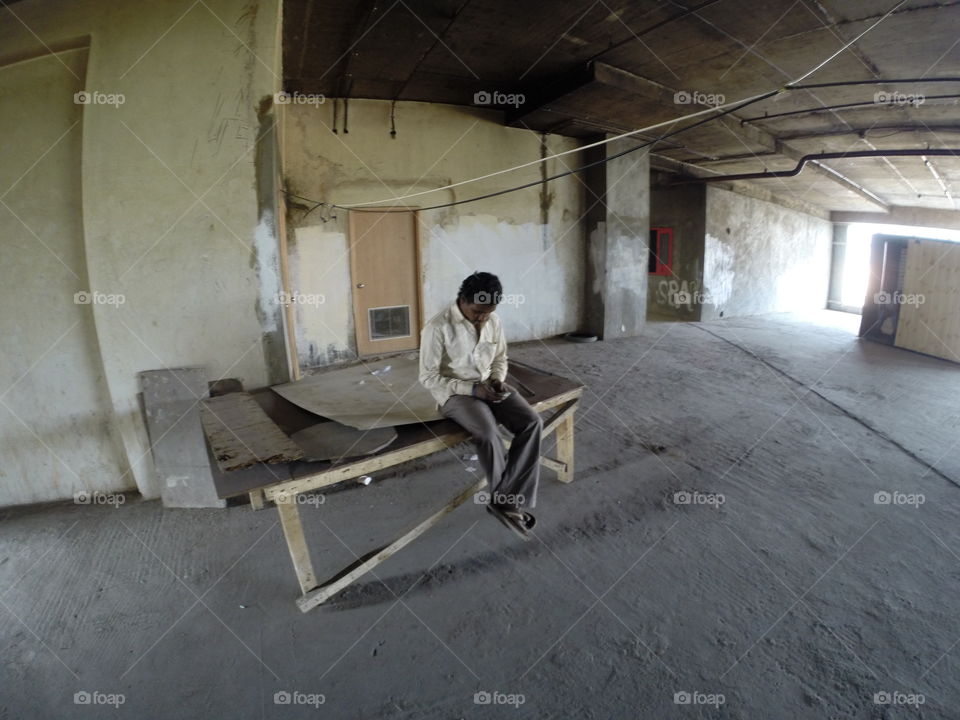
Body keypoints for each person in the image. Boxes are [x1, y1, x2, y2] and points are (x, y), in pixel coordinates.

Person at [419, 272, 542, 540]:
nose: (483, 318)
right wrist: (473, 389)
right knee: (487, 433)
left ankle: (507, 497)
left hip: (488, 384)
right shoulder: (437, 327)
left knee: (532, 423)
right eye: (477, 312)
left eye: (489, 312)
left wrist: (497, 380)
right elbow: (428, 377)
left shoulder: (492, 320)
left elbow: (500, 357)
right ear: (463, 300)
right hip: (455, 393)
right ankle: (504, 503)